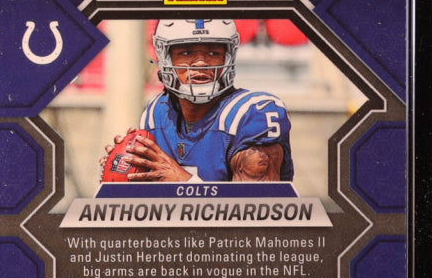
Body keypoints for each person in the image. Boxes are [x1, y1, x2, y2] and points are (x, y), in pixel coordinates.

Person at [103, 18, 294, 183]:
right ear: (165, 58)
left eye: (213, 53)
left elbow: (259, 207)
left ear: (228, 57)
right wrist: (129, 175)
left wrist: (185, 182)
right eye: (186, 53)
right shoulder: (156, 113)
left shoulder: (252, 114)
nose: (201, 63)